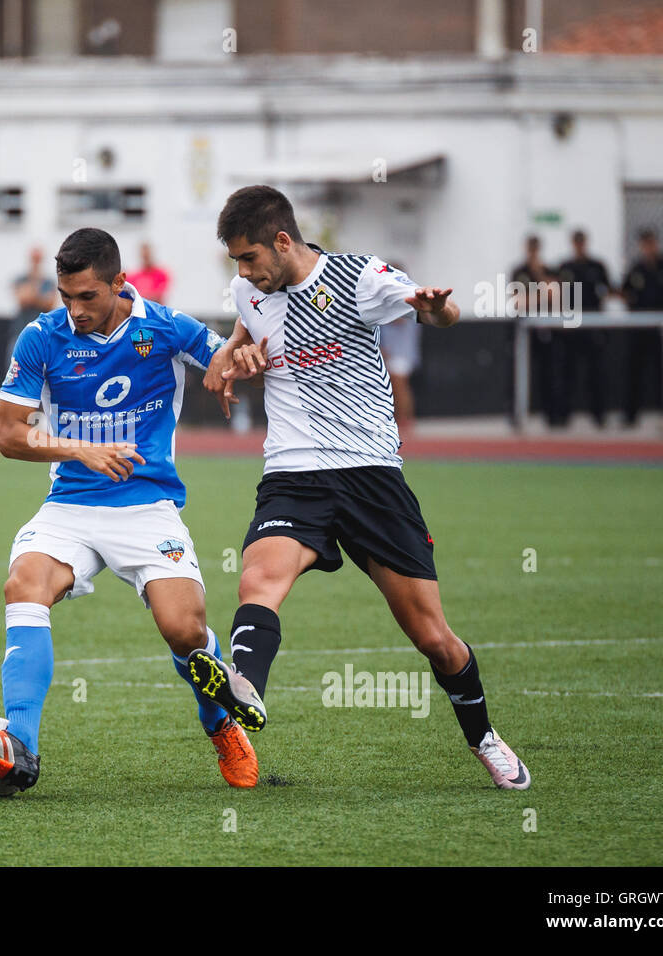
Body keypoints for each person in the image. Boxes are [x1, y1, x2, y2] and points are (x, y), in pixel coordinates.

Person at [196, 185, 530, 790]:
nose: (241, 273)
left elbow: (436, 312)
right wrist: (229, 356)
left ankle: (483, 735)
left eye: (248, 258)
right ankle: (244, 687)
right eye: (235, 263)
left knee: (432, 635)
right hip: (293, 473)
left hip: (371, 473)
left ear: (282, 241)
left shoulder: (357, 276)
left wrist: (435, 306)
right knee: (257, 578)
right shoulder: (251, 289)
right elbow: (251, 325)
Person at [0, 227, 255, 792]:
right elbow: (10, 435)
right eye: (66, 297)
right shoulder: (41, 338)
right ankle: (21, 751)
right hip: (70, 507)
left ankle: (221, 724)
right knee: (23, 586)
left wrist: (237, 356)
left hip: (148, 507)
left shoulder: (163, 327)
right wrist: (78, 448)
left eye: (88, 296)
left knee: (184, 631)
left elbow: (226, 358)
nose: (75, 310)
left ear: (119, 283)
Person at [621, 229, 663, 427]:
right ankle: (630, 414)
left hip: (661, 327)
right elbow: (625, 293)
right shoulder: (636, 268)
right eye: (645, 244)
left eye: (651, 243)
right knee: (634, 370)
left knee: (662, 369)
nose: (649, 248)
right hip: (639, 328)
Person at [558, 229, 614, 428]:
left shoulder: (597, 266)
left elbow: (609, 292)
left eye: (582, 242)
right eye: (576, 242)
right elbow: (559, 295)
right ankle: (563, 416)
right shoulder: (565, 267)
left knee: (596, 373)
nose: (579, 246)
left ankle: (598, 415)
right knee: (568, 373)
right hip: (572, 326)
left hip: (593, 326)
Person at [512, 235, 569, 427]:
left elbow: (556, 294)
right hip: (525, 332)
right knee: (520, 373)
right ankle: (518, 415)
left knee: (553, 373)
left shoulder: (548, 270)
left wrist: (539, 276)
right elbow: (518, 302)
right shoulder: (519, 271)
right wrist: (542, 294)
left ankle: (554, 416)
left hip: (550, 330)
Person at [377, 261, 422, 434]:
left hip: (401, 350)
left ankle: (405, 421)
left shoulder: (406, 294)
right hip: (391, 350)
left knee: (400, 385)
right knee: (394, 386)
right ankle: (398, 420)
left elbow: (399, 319)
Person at [6, 246, 56, 366]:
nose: (36, 262)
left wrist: (33, 296)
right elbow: (22, 300)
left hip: (42, 336)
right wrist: (40, 296)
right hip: (20, 332)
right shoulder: (21, 279)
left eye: (38, 259)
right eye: (34, 259)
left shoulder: (49, 282)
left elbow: (50, 304)